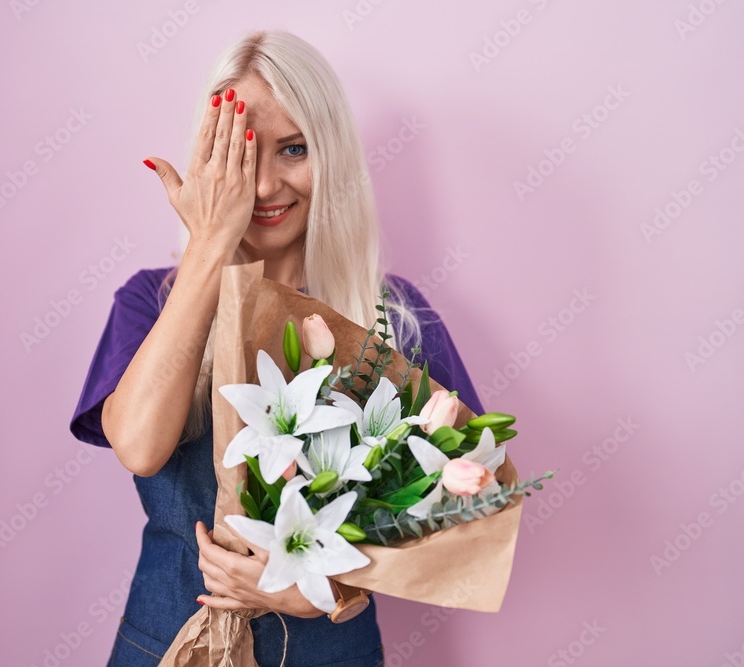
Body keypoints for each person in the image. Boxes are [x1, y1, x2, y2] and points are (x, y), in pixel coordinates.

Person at [69, 30, 484, 667]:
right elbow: (142, 448)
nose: (263, 187)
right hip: (168, 646)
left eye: (293, 149)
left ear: (332, 157)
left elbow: (468, 509)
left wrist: (324, 588)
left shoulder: (396, 319)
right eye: (241, 153)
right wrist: (209, 245)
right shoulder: (150, 301)